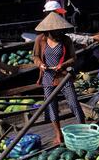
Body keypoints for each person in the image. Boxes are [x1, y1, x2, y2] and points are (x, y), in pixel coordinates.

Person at [32, 13, 85, 143]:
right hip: (47, 77)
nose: (57, 34)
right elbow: (35, 57)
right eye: (54, 31)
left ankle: (82, 129)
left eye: (59, 31)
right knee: (51, 107)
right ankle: (58, 134)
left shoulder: (66, 40)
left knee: (73, 103)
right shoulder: (40, 39)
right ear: (48, 31)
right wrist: (41, 65)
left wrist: (63, 65)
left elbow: (73, 58)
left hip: (63, 77)